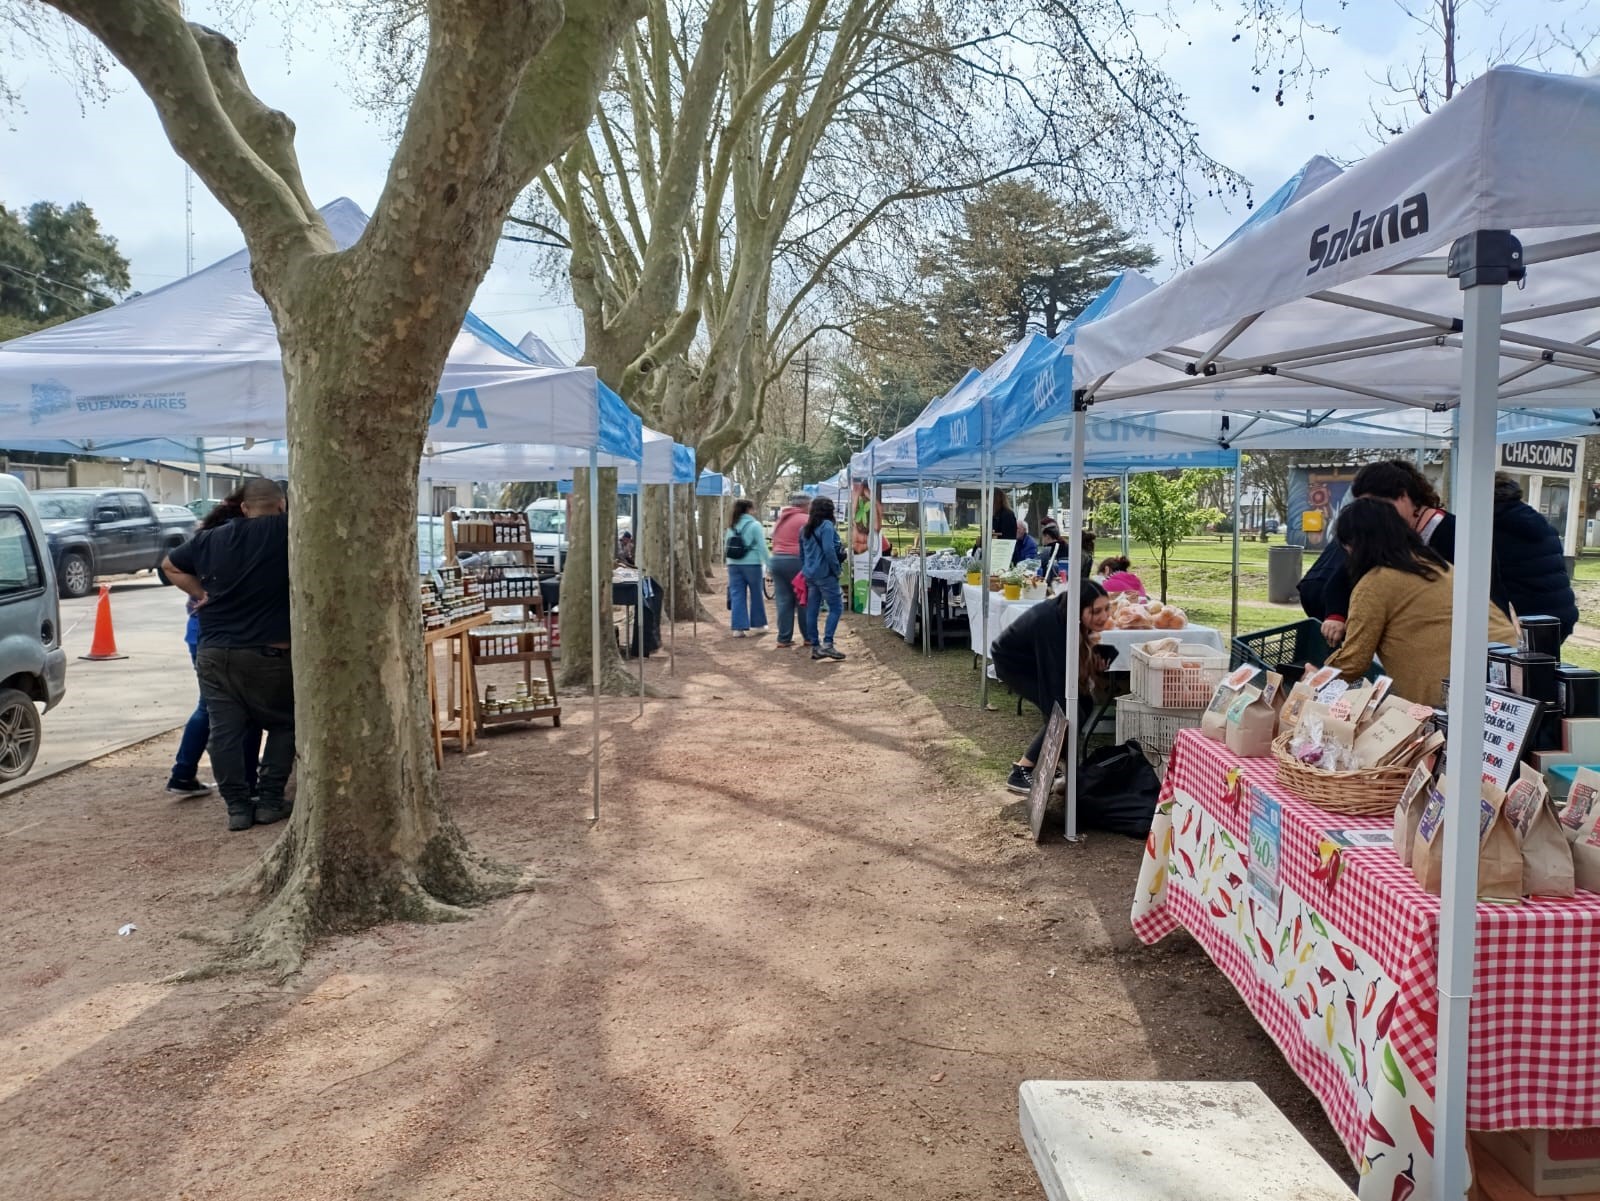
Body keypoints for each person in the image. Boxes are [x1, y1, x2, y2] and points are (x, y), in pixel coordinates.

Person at [162, 478, 294, 832]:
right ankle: (268, 801)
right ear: (281, 505)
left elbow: (170, 565)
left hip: (214, 652)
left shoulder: (209, 538)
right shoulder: (291, 532)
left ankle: (237, 806)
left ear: (245, 508)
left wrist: (202, 592)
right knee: (285, 723)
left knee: (225, 731)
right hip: (271, 653)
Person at [1326, 498, 1517, 708]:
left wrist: (1315, 679)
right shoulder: (1435, 564)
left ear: (1356, 545)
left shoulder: (1375, 584)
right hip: (1511, 670)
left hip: (1456, 693)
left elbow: (1354, 662)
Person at [166, 490, 262, 799]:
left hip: (202, 633)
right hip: (215, 635)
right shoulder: (232, 541)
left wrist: (199, 594)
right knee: (222, 707)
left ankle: (186, 773)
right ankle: (192, 774)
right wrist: (202, 595)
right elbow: (170, 566)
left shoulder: (210, 537)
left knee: (212, 705)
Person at [1300, 459, 1455, 648]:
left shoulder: (1451, 533)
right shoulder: (1379, 536)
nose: (1369, 512)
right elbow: (1340, 579)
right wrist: (1336, 616)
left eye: (1377, 505)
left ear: (1403, 497)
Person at [992, 578, 1114, 794]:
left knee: (1081, 704)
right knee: (1066, 710)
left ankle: (1054, 764)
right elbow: (1056, 681)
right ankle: (1021, 770)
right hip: (1014, 664)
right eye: (1096, 611)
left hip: (1036, 658)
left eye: (1107, 608)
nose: (1103, 616)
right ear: (1079, 607)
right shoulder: (1049, 622)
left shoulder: (1068, 613)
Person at [1491, 474, 1578, 643]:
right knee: (1542, 664)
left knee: (1524, 666)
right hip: (1561, 613)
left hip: (1528, 618)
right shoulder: (1539, 522)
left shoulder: (1494, 529)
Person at [800, 495, 847, 661]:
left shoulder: (805, 528)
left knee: (812, 609)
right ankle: (828, 644)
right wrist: (836, 570)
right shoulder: (826, 526)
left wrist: (805, 570)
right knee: (836, 607)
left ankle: (815, 646)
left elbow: (802, 553)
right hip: (825, 574)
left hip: (810, 574)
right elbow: (829, 550)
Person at [769, 491, 811, 649]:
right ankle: (808, 637)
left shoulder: (781, 518)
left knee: (783, 600)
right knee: (803, 598)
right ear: (806, 504)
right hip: (796, 561)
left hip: (777, 560)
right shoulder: (806, 519)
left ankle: (783, 638)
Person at [724, 498, 770, 638]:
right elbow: (762, 547)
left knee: (737, 595)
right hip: (752, 564)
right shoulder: (755, 525)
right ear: (749, 509)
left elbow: (727, 545)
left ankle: (738, 628)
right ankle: (759, 624)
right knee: (756, 594)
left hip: (733, 564)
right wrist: (769, 564)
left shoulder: (731, 526)